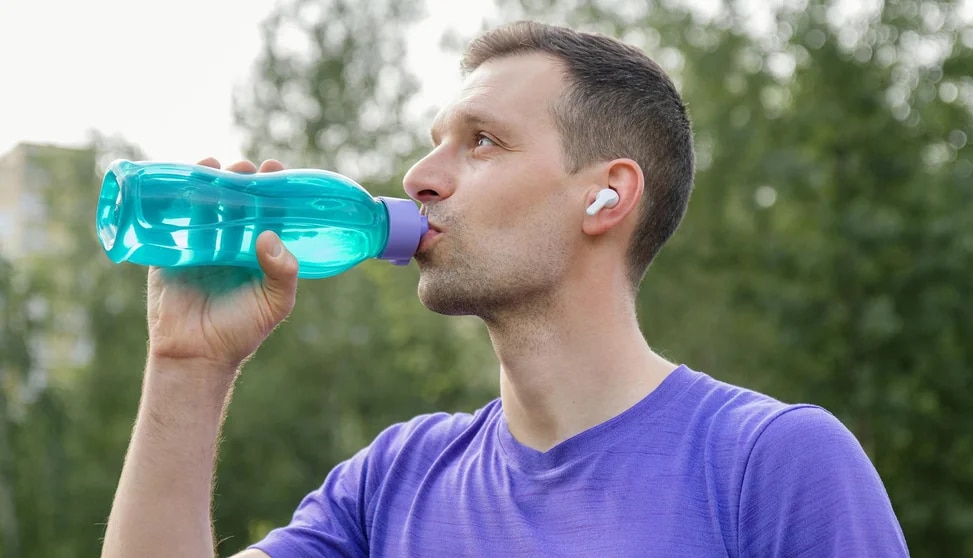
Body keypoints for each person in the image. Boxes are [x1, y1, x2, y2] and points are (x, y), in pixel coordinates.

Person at [100, 20, 909, 558]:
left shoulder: (769, 465)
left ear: (606, 196)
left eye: (481, 143)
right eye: (433, 145)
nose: (419, 178)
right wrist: (187, 365)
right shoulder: (393, 484)